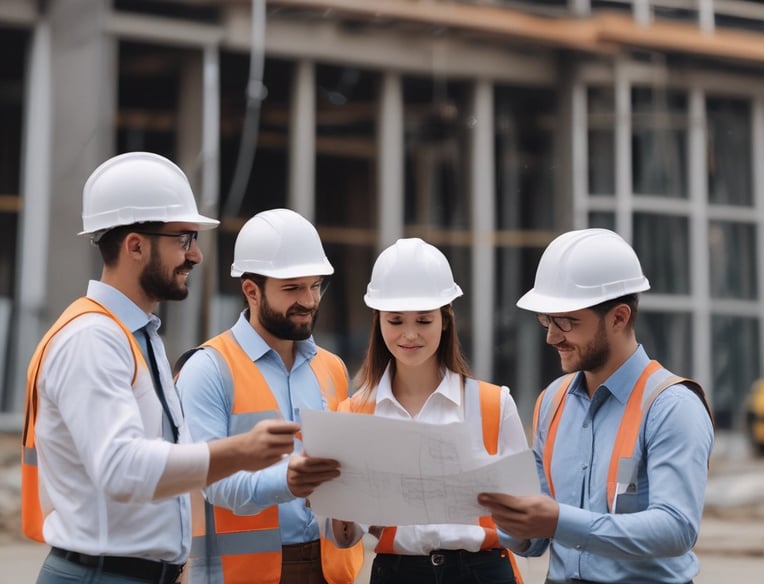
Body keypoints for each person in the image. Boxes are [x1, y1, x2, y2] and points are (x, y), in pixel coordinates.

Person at [21, 152, 300, 584]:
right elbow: (120, 468)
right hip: (102, 575)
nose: (197, 255)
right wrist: (241, 451)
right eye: (184, 238)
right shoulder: (92, 339)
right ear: (135, 245)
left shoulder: (136, 335)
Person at [478, 228, 715, 584]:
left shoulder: (672, 406)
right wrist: (509, 516)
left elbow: (676, 528)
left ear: (618, 318)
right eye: (546, 321)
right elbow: (535, 541)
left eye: (567, 323)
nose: (552, 337)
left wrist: (559, 520)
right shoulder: (552, 401)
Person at [175, 208, 363, 584]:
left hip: (329, 571)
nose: (309, 300)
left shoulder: (332, 369)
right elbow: (208, 480)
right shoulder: (208, 370)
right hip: (243, 576)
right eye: (292, 288)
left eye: (315, 286)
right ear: (251, 291)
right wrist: (288, 482)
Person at [334, 237, 529, 584]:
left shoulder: (492, 405)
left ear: (445, 320)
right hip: (398, 573)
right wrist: (336, 500)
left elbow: (527, 526)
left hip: (482, 571)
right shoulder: (355, 412)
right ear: (378, 322)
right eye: (396, 320)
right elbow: (346, 537)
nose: (409, 334)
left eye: (423, 321)